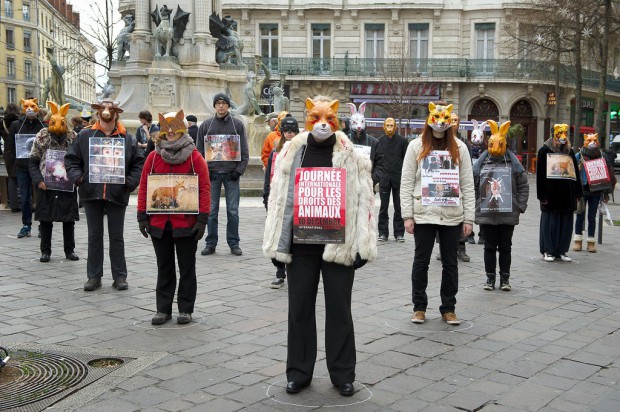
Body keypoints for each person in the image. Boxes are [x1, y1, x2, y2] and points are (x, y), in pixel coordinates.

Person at [263, 96, 377, 397]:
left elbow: (366, 197)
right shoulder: (293, 151)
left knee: (340, 309)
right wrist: (277, 242)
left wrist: (363, 243)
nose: (323, 124)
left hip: (338, 245)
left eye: (328, 119)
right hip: (301, 246)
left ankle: (343, 374)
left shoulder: (350, 153)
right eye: (316, 118)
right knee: (299, 309)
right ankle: (299, 372)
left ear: (337, 120)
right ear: (307, 118)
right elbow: (278, 198)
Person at [400, 102, 474, 326]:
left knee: (451, 263)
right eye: (437, 117)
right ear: (429, 119)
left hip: (452, 214)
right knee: (421, 262)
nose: (440, 123)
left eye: (445, 118)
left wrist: (469, 217)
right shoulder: (415, 146)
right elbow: (406, 181)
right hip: (424, 213)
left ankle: (448, 308)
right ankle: (419, 307)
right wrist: (407, 215)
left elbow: (467, 184)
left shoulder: (460, 148)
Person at [137, 109, 211, 325]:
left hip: (186, 223)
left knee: (187, 266)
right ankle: (163, 309)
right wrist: (142, 215)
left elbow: (204, 189)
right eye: (166, 129)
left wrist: (202, 219)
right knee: (164, 266)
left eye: (174, 129)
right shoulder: (152, 157)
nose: (170, 133)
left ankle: (186, 309)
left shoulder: (195, 158)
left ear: (182, 130)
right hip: (160, 223)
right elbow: (144, 188)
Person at [65, 99, 145, 291]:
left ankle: (119, 276)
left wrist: (130, 182)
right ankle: (94, 276)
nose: (106, 113)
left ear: (116, 113)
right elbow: (71, 160)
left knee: (116, 236)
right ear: (98, 112)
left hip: (117, 192)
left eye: (110, 110)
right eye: (103, 110)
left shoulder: (127, 138)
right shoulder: (85, 135)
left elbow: (138, 163)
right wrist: (78, 178)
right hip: (91, 192)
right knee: (94, 235)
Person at [473, 120, 529, 291]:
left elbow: (523, 185)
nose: (495, 148)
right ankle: (490, 278)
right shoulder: (481, 164)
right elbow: (473, 185)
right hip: (487, 213)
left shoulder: (514, 165)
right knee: (489, 247)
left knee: (505, 247)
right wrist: (477, 203)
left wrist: (519, 205)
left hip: (507, 213)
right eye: (491, 144)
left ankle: (505, 278)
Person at [197, 93, 249, 256]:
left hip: (231, 174)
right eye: (218, 103)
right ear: (214, 106)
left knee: (232, 211)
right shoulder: (206, 125)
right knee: (211, 211)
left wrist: (238, 171)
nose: (221, 106)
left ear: (228, 106)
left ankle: (234, 243)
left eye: (224, 103)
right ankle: (211, 243)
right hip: (212, 175)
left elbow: (245, 152)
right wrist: (205, 172)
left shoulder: (237, 125)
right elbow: (199, 153)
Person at [28, 101, 80, 263]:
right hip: (46, 183)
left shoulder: (73, 137)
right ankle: (45, 251)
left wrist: (76, 177)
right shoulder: (42, 136)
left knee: (68, 219)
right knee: (45, 219)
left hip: (67, 182)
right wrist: (38, 180)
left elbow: (80, 160)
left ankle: (69, 250)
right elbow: (32, 160)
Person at [262, 116, 299, 289]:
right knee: (274, 235)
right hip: (277, 200)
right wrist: (266, 195)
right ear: (282, 132)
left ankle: (292, 272)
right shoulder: (275, 153)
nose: (290, 134)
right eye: (287, 131)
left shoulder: (302, 150)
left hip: (295, 199)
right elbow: (268, 174)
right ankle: (279, 271)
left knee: (293, 237)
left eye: (292, 131)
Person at [536, 124, 582, 262]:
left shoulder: (569, 151)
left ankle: (562, 250)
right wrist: (542, 195)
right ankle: (548, 250)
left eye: (565, 133)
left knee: (566, 225)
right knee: (550, 223)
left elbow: (576, 174)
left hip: (567, 195)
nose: (563, 136)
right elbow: (540, 175)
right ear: (553, 134)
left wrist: (578, 192)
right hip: (551, 195)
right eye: (560, 133)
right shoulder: (544, 151)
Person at [573, 133, 616, 253]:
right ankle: (578, 241)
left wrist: (606, 192)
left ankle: (591, 242)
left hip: (596, 191)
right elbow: (571, 169)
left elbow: (608, 173)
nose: (592, 142)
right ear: (585, 141)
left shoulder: (601, 155)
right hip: (582, 190)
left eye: (594, 140)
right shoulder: (579, 154)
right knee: (580, 216)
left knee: (592, 217)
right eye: (589, 140)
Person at [9, 98, 46, 238]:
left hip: (38, 167)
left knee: (41, 197)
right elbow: (10, 147)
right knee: (25, 197)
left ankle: (43, 225)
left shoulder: (43, 125)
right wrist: (13, 165)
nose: (30, 109)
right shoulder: (15, 125)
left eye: (33, 106)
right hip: (22, 167)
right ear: (23, 108)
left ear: (37, 108)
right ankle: (26, 225)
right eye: (27, 106)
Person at [377, 117, 409, 242]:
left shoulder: (402, 141)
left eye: (392, 125)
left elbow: (407, 161)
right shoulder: (378, 142)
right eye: (387, 125)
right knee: (383, 207)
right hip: (384, 178)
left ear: (395, 127)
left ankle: (399, 233)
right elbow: (377, 160)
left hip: (398, 178)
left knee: (399, 207)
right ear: (384, 127)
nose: (390, 128)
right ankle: (383, 233)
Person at [1, 103, 21, 212]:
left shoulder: (2, 122)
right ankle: (29, 202)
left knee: (12, 178)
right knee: (24, 176)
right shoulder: (20, 122)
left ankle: (14, 205)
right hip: (20, 150)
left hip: (8, 152)